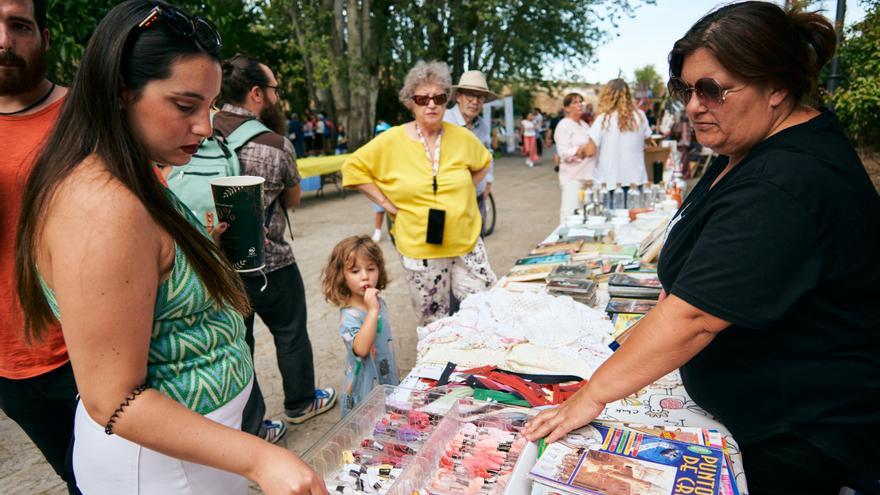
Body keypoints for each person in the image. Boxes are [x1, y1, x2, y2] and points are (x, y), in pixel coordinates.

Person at [524, 2, 880, 492]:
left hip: (794, 432)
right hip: (760, 412)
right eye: (685, 90)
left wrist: (591, 397)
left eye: (712, 89)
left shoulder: (786, 181)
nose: (693, 106)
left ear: (776, 86)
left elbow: (696, 316)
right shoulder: (744, 146)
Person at [13, 2, 326, 493]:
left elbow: (148, 281)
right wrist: (261, 458)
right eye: (185, 106)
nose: (204, 127)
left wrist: (198, 256)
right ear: (120, 93)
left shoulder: (133, 175)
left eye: (211, 106)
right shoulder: (101, 208)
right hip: (160, 467)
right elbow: (112, 400)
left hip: (189, 450)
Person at [215, 54, 336, 434]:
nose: (276, 97)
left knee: (239, 346)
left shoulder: (199, 134)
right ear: (256, 94)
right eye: (274, 90)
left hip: (219, 268)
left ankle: (253, 428)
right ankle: (300, 403)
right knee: (291, 334)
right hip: (273, 263)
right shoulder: (275, 143)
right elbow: (295, 198)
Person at [342, 61, 496, 326]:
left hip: (466, 241)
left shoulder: (462, 137)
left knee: (482, 314)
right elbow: (352, 169)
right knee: (434, 322)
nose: (431, 104)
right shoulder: (391, 140)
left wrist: (464, 192)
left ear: (446, 100)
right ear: (410, 102)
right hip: (420, 246)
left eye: (438, 98)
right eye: (422, 98)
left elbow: (483, 162)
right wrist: (385, 203)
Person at [0, 0, 78, 492]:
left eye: (19, 26)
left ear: (45, 37)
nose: (3, 40)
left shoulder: (85, 115)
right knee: (79, 478)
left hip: (98, 348)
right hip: (12, 363)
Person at [321, 235, 399, 415]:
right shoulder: (350, 314)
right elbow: (361, 349)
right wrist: (372, 311)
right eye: (355, 271)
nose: (365, 277)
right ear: (342, 275)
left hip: (384, 376)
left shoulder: (378, 302)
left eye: (371, 269)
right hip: (364, 388)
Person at [444, 70, 498, 236]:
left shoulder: (482, 126)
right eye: (470, 95)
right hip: (448, 201)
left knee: (477, 253)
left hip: (476, 198)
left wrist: (488, 181)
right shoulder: (443, 121)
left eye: (480, 97)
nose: (475, 101)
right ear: (458, 96)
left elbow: (488, 156)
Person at [587, 79, 651, 207]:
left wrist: (579, 150)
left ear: (607, 96)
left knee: (612, 224)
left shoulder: (603, 119)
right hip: (636, 179)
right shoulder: (640, 116)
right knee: (635, 223)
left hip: (610, 180)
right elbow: (648, 140)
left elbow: (590, 151)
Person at [553, 93, 596, 223]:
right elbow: (563, 152)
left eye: (581, 102)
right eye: (575, 102)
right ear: (566, 108)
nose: (579, 105)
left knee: (588, 215)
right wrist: (580, 150)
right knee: (570, 214)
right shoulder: (564, 125)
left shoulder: (584, 125)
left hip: (588, 176)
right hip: (573, 177)